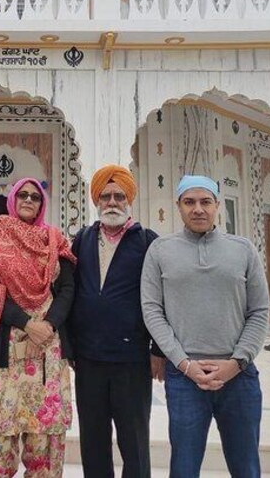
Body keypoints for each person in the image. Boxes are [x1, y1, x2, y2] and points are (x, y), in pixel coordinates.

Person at [141, 175, 270, 478]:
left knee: (246, 467)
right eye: (189, 202)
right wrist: (184, 364)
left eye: (205, 202)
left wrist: (237, 362)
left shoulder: (244, 250)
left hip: (238, 377)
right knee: (184, 468)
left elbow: (259, 311)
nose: (197, 209)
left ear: (217, 206)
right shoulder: (160, 251)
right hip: (185, 378)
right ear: (179, 206)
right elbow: (152, 310)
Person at [0, 177, 77, 478]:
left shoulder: (54, 240)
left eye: (35, 197)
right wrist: (27, 323)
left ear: (42, 203)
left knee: (43, 438)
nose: (29, 200)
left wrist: (48, 324)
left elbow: (68, 288)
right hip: (6, 349)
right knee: (2, 435)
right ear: (13, 199)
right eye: (23, 195)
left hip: (48, 347)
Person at [69, 164, 164, 478]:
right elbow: (69, 291)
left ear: (129, 201)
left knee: (134, 442)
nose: (112, 202)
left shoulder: (148, 241)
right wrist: (69, 349)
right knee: (93, 442)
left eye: (119, 196)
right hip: (89, 360)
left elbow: (162, 298)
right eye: (106, 196)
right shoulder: (83, 238)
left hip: (131, 361)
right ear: (97, 201)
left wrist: (158, 351)